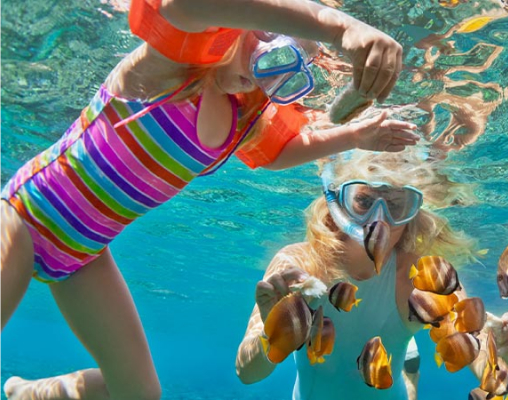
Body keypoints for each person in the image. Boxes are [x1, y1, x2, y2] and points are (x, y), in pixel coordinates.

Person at [1, 0, 421, 398]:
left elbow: (280, 154)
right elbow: (181, 5)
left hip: (83, 254)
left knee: (138, 392)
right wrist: (340, 27)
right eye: (272, 56)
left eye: (284, 76)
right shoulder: (173, 65)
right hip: (25, 217)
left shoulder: (241, 118)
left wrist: (356, 135)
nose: (263, 79)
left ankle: (28, 393)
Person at [234, 148, 479, 400]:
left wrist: (498, 353)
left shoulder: (421, 275)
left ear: (412, 214)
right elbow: (246, 373)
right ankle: (408, 361)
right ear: (337, 202)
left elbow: (473, 340)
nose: (378, 221)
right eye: (364, 201)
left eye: (395, 205)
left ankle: (409, 372)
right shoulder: (300, 264)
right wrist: (272, 334)